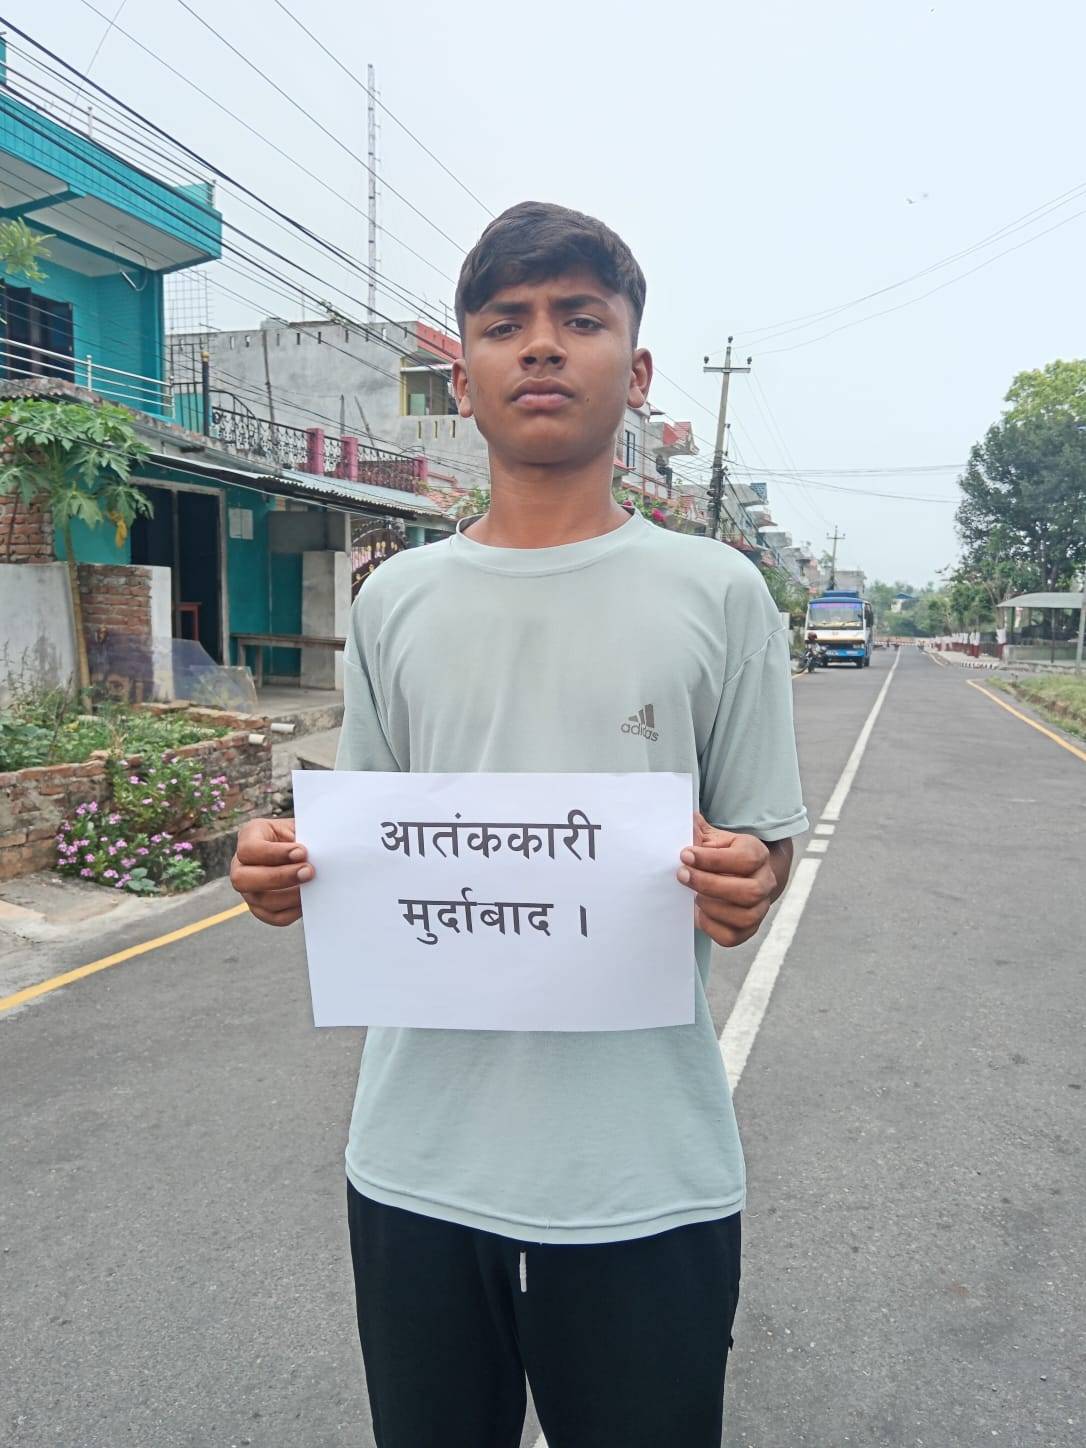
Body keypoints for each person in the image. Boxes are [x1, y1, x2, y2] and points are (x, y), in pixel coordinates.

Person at [229, 201, 808, 1448]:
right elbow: (373, 842)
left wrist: (747, 876)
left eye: (579, 318)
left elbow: (765, 840)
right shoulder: (396, 599)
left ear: (637, 374)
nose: (541, 345)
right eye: (505, 324)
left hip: (645, 1174)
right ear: (463, 380)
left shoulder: (722, 591)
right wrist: (284, 869)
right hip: (416, 1166)